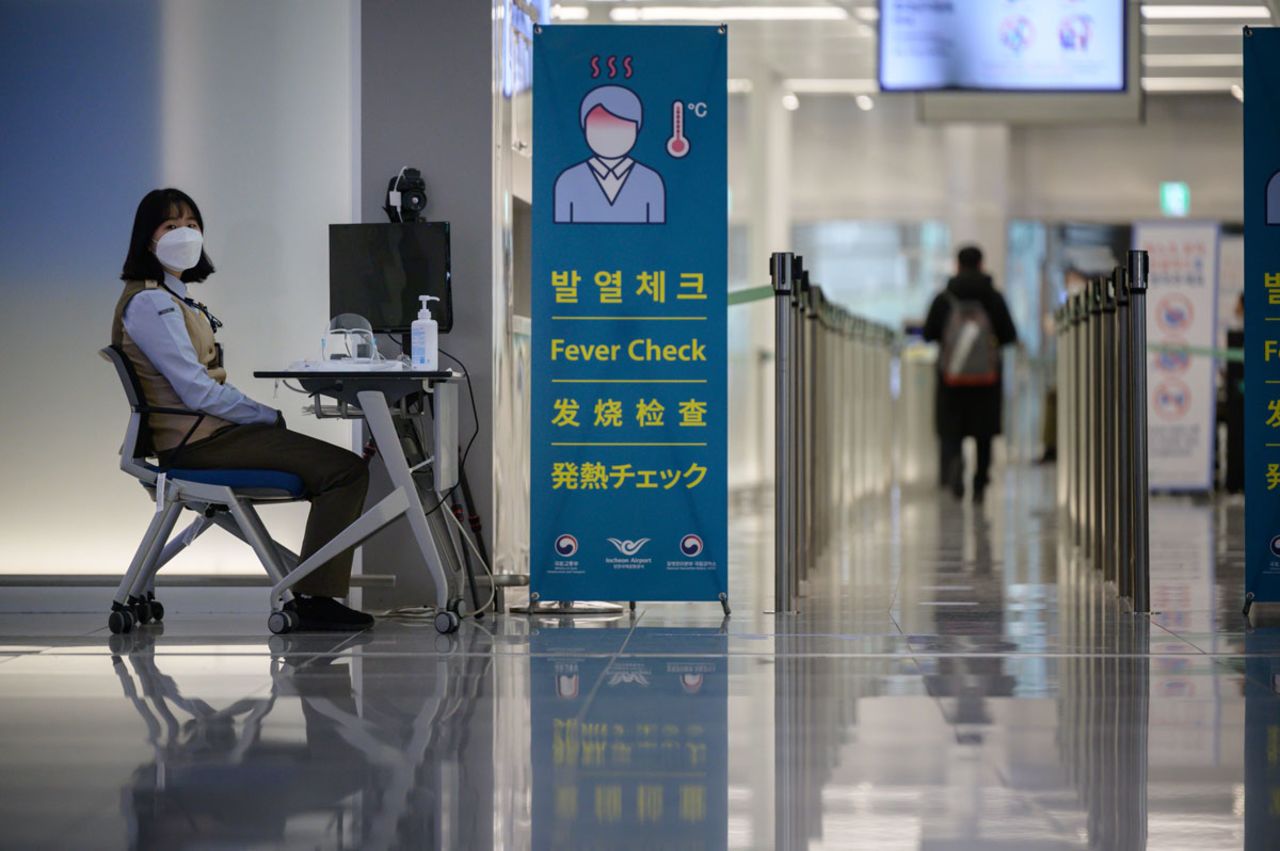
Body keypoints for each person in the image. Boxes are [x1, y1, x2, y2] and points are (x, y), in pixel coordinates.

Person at [112, 188, 373, 631]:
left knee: (337, 468)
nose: (185, 233)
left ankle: (313, 587)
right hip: (198, 445)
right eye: (171, 226)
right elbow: (197, 392)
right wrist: (264, 415)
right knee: (345, 472)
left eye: (192, 225)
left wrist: (259, 417)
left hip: (212, 437)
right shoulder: (151, 303)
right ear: (147, 238)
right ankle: (314, 599)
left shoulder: (175, 300)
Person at [923, 245, 1018, 502]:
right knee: (983, 432)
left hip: (951, 379)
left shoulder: (944, 299)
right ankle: (979, 482)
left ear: (957, 265)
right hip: (987, 380)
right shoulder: (994, 298)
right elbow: (1010, 335)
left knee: (952, 429)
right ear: (981, 264)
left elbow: (928, 333)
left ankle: (955, 464)